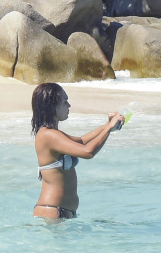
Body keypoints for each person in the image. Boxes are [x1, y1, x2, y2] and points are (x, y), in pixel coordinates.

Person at [31, 82, 127, 220]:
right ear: (53, 106)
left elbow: (82, 141)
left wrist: (107, 125)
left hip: (59, 213)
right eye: (65, 102)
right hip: (52, 213)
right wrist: (108, 128)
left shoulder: (53, 134)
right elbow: (88, 152)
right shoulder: (48, 135)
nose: (69, 106)